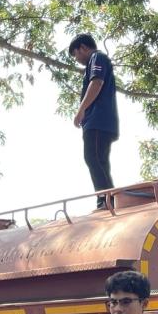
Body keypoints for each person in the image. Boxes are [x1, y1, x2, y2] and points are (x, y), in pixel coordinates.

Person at [69, 33, 118, 208]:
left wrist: (81, 110)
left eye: (76, 54)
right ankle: (109, 199)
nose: (77, 59)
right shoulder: (95, 61)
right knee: (99, 160)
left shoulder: (97, 57)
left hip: (98, 120)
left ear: (82, 47)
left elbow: (96, 83)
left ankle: (105, 200)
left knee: (92, 157)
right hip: (101, 122)